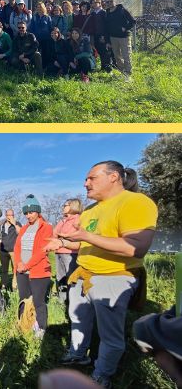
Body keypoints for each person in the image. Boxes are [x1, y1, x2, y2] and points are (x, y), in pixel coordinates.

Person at [51, 161, 158, 388]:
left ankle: (102, 375)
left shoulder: (136, 202)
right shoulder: (90, 210)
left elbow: (135, 247)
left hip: (113, 277)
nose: (85, 183)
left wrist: (87, 237)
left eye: (92, 178)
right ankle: (79, 354)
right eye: (86, 179)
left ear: (114, 177)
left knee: (110, 333)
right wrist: (60, 241)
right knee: (78, 319)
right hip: (83, 275)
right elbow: (85, 244)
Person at [14, 195, 53, 339]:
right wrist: (18, 263)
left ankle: (41, 328)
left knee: (38, 301)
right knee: (23, 299)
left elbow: (43, 250)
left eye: (31, 212)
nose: (28, 215)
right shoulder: (24, 229)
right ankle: (24, 324)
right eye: (26, 213)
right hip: (22, 271)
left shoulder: (46, 227)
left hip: (38, 271)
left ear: (37, 212)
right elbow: (17, 247)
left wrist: (27, 265)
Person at [52, 198, 83, 320]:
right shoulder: (63, 220)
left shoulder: (78, 220)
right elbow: (54, 234)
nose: (63, 207)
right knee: (61, 278)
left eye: (65, 205)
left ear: (73, 206)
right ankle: (62, 301)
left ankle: (72, 304)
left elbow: (74, 238)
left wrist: (63, 239)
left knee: (71, 279)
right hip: (59, 252)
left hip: (71, 254)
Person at [103, 0, 135, 79]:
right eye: (107, 2)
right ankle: (122, 72)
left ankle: (128, 74)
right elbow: (106, 28)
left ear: (114, 1)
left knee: (126, 55)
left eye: (111, 1)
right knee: (117, 56)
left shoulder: (122, 10)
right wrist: (107, 41)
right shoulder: (107, 13)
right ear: (105, 4)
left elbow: (132, 21)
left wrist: (125, 28)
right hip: (113, 37)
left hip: (124, 37)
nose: (109, 3)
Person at [0, 208, 21, 292]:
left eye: (12, 215)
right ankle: (4, 285)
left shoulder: (17, 224)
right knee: (4, 269)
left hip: (13, 251)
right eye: (8, 215)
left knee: (15, 269)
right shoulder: (2, 225)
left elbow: (20, 233)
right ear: (6, 216)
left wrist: (14, 224)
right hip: (3, 251)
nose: (10, 217)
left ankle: (14, 286)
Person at [88, 0, 111, 72]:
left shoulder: (103, 12)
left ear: (99, 3)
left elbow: (106, 25)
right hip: (95, 35)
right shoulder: (93, 13)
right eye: (92, 3)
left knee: (104, 51)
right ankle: (102, 66)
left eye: (95, 3)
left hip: (102, 35)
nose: (94, 4)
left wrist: (104, 36)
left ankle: (107, 67)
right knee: (99, 51)